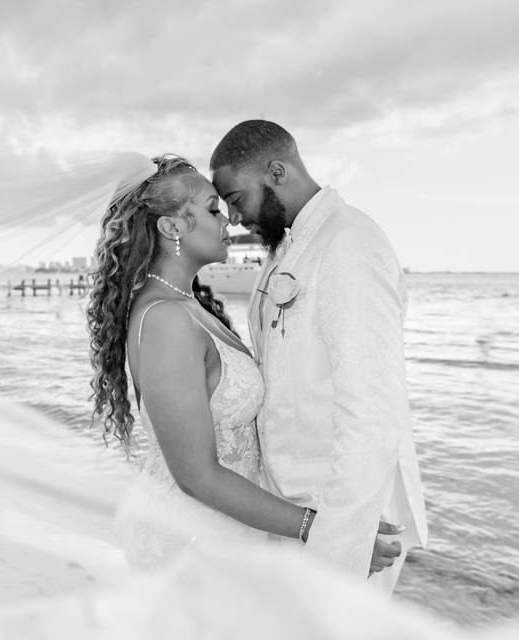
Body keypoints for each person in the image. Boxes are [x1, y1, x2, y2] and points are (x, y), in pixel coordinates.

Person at [86, 155, 401, 574]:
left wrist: (343, 516)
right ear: (172, 226)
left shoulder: (188, 306)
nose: (228, 222)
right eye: (213, 210)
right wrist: (324, 530)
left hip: (225, 536)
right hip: (190, 546)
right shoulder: (165, 320)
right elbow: (196, 475)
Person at [210, 120, 428, 592]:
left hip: (345, 518)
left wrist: (342, 538)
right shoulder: (285, 249)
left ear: (276, 171)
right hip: (294, 507)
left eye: (235, 198)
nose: (232, 217)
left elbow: (371, 408)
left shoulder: (349, 244)